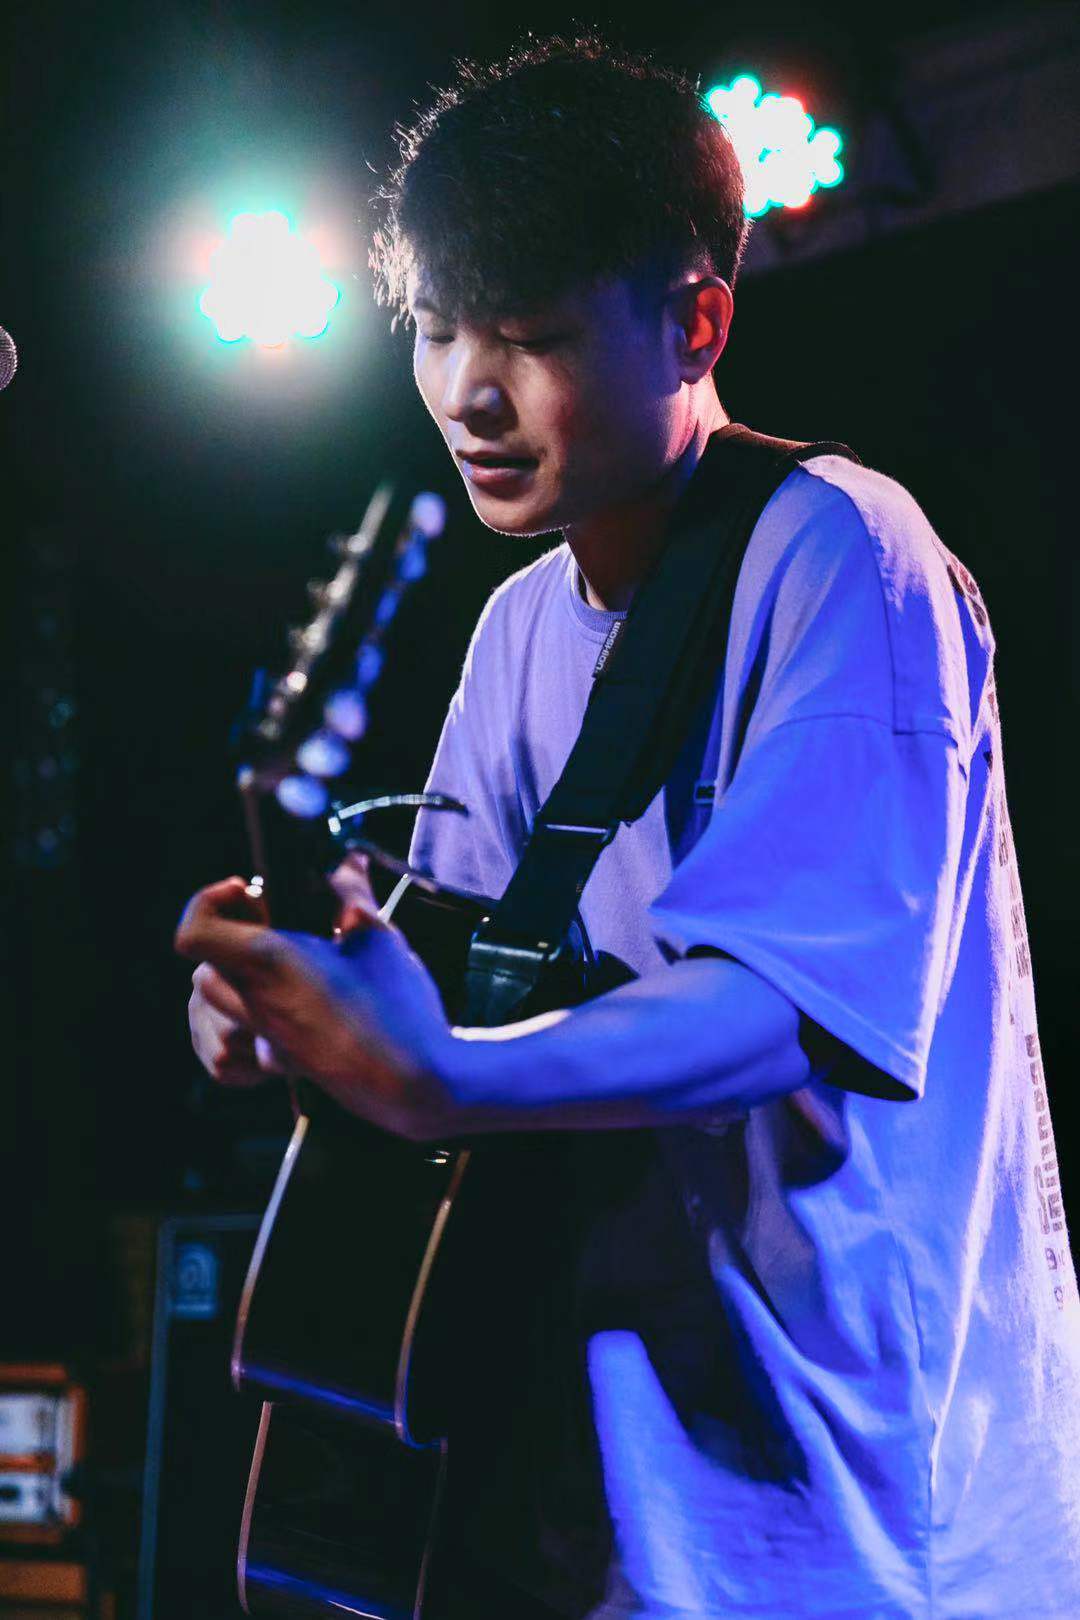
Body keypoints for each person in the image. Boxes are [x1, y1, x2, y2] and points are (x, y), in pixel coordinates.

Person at [178, 31, 1080, 1620]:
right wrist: (300, 1012)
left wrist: (441, 1072)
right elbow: (459, 993)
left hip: (858, 1528)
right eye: (436, 329)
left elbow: (778, 1007)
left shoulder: (845, 556)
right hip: (602, 1504)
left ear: (694, 323)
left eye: (527, 336)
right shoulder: (518, 628)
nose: (468, 391)